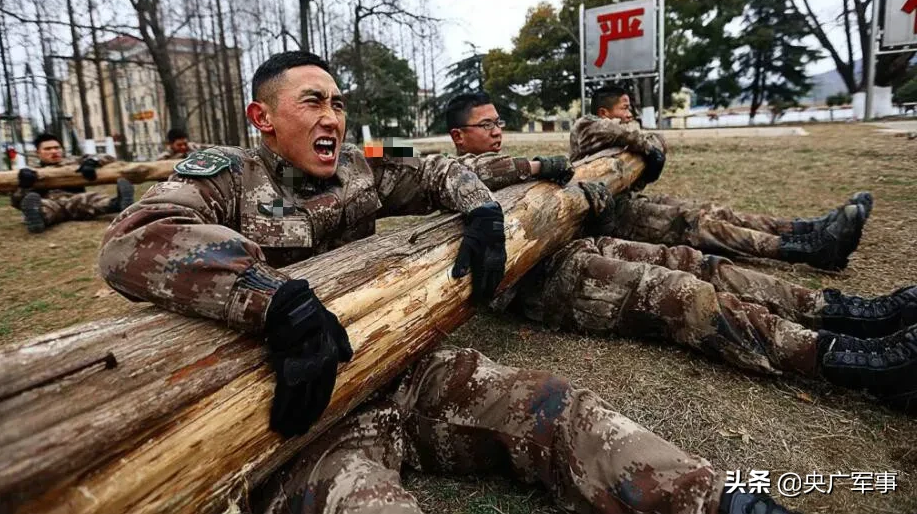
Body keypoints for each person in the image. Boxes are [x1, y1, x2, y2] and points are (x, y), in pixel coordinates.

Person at [99, 51, 800, 514]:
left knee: (554, 407)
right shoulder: (227, 176)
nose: (333, 117)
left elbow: (438, 170)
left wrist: (484, 208)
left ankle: (719, 501)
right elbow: (134, 236)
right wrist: (271, 298)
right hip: (299, 422)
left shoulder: (358, 164)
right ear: (262, 117)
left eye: (338, 103)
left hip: (397, 363)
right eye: (313, 102)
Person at [444, 92, 917, 411]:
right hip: (542, 281)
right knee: (681, 294)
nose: (498, 131)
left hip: (577, 246)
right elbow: (435, 180)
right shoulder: (450, 180)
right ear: (458, 136)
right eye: (486, 125)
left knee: (699, 264)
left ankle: (847, 313)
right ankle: (849, 361)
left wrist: (591, 206)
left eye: (499, 122)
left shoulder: (517, 167)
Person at [572, 87, 870, 270]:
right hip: (613, 215)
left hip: (629, 201)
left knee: (712, 211)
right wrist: (648, 144)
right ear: (604, 111)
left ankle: (806, 229)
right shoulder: (587, 126)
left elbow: (639, 166)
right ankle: (807, 250)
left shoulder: (619, 136)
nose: (630, 114)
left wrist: (649, 157)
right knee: (696, 224)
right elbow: (629, 135)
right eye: (624, 108)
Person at [12, 132, 135, 234]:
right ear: (38, 153)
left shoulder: (74, 161)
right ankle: (36, 220)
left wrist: (93, 162)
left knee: (90, 199)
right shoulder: (30, 171)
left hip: (75, 200)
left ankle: (118, 203)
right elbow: (16, 202)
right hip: (51, 202)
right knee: (43, 207)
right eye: (48, 149)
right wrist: (24, 186)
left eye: (57, 148)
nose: (54, 151)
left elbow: (108, 157)